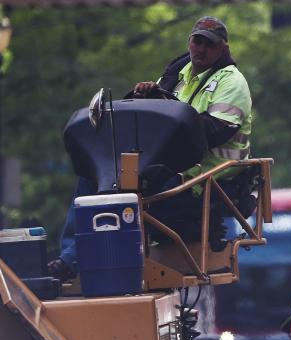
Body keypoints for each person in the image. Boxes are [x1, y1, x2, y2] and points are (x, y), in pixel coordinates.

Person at [48, 15, 254, 278]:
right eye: (196, 41)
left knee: (135, 182)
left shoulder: (231, 81)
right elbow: (161, 121)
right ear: (189, 42)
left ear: (223, 49)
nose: (200, 49)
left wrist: (168, 115)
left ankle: (99, 259)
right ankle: (71, 259)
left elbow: (214, 132)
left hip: (207, 178)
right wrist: (146, 98)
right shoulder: (177, 75)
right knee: (96, 174)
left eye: (209, 45)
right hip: (171, 166)